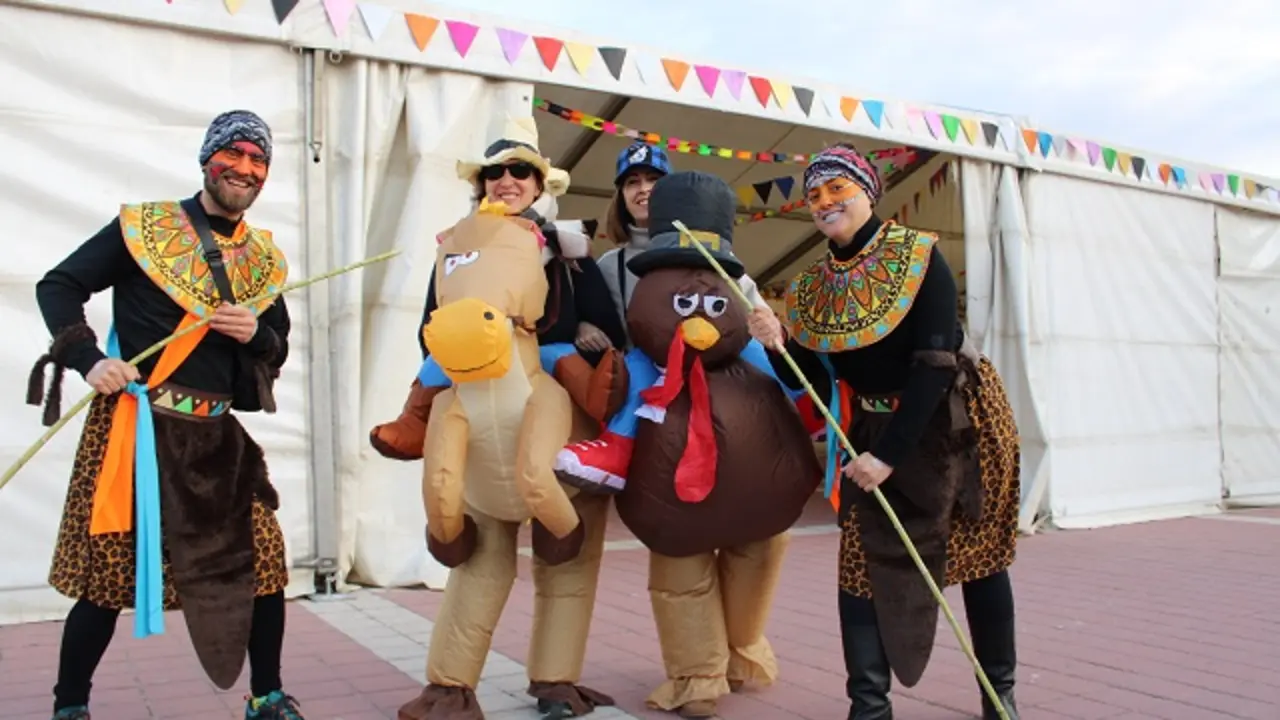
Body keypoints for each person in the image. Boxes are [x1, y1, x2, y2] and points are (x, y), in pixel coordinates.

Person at [28, 110, 304, 719]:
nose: (245, 168)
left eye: (259, 160)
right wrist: (87, 357)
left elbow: (276, 344)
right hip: (137, 428)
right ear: (208, 160)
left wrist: (255, 332)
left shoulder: (262, 258)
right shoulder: (146, 228)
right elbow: (58, 285)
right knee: (106, 577)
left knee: (263, 560)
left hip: (215, 436)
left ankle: (267, 697)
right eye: (233, 154)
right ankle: (69, 708)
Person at [752, 143, 1021, 720]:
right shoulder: (814, 285)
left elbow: (934, 364)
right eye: (815, 194)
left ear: (867, 191)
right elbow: (816, 380)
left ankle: (1001, 697)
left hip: (957, 422)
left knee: (977, 562)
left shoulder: (921, 257)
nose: (825, 202)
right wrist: (776, 343)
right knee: (860, 563)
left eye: (837, 189)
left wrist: (888, 457)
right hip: (873, 427)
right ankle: (869, 709)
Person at [368, 117, 627, 461]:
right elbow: (433, 315)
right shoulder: (459, 245)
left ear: (538, 186)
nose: (507, 181)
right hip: (476, 359)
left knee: (568, 366)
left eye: (520, 171)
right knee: (436, 361)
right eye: (495, 173)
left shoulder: (563, 243)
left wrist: (586, 325)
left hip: (543, 356)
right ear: (482, 185)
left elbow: (604, 317)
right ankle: (415, 421)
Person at [553, 142, 790, 493]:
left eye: (654, 179)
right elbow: (594, 315)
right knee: (633, 364)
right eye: (632, 182)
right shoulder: (610, 264)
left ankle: (802, 407)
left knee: (758, 354)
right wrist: (584, 325)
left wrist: (770, 325)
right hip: (653, 366)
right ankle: (618, 449)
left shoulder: (706, 246)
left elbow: (750, 304)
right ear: (620, 195)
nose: (644, 189)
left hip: (715, 361)